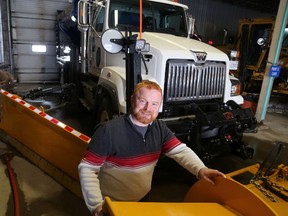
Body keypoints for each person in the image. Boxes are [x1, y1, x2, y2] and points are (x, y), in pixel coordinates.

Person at [78, 80, 225, 216]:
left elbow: (180, 151)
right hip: (112, 206)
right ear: (131, 100)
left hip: (143, 199)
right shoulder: (108, 131)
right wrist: (97, 206)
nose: (148, 108)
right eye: (143, 101)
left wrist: (201, 169)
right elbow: (87, 168)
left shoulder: (159, 128)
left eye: (154, 104)